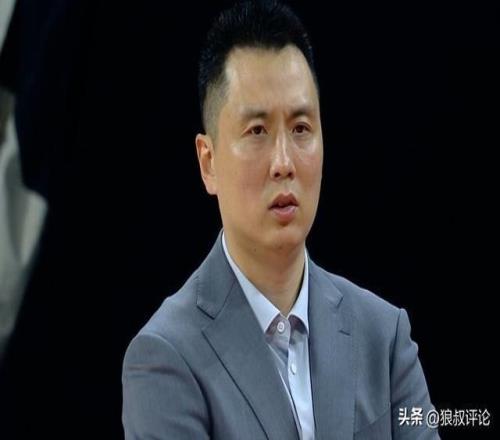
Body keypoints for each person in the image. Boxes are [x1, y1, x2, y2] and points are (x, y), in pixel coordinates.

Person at [122, 1, 439, 439]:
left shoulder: (384, 337)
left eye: (301, 128)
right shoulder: (166, 357)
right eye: (257, 131)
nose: (284, 162)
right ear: (208, 161)